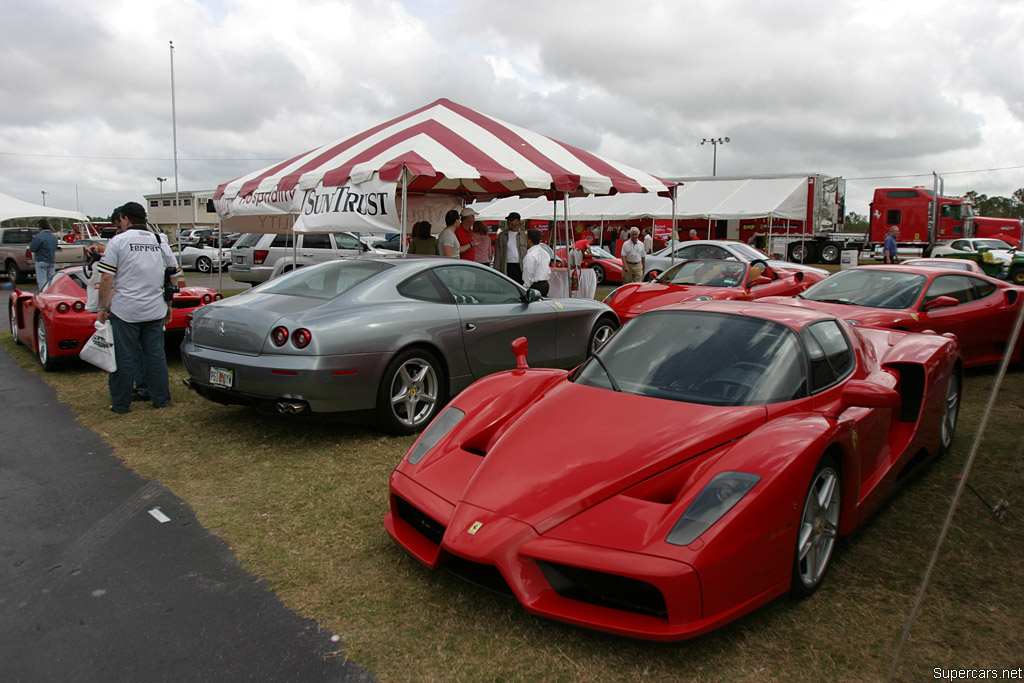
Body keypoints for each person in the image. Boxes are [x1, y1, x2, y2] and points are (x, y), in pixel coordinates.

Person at [95, 201, 179, 413]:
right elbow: (172, 276)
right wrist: (168, 305)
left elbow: (106, 278)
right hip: (154, 308)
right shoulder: (159, 240)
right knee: (156, 357)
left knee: (123, 359)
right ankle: (161, 399)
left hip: (126, 310)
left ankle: (121, 404)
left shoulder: (118, 241)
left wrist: (101, 307)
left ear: (125, 219)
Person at [493, 212, 528, 284]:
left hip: (520, 266)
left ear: (518, 221)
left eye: (512, 220)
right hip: (507, 266)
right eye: (508, 220)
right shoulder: (502, 235)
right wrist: (496, 269)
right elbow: (497, 254)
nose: (509, 222)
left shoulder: (524, 235)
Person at [28, 219, 59, 288]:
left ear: (40, 227)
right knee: (51, 279)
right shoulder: (54, 237)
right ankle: (52, 293)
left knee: (42, 280)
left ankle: (43, 294)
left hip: (41, 260)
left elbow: (32, 248)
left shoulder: (39, 236)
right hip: (51, 260)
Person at [521, 229, 551, 297]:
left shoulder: (530, 255)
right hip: (545, 284)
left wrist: (525, 288)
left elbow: (528, 272)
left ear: (529, 240)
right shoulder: (545, 253)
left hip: (535, 286)